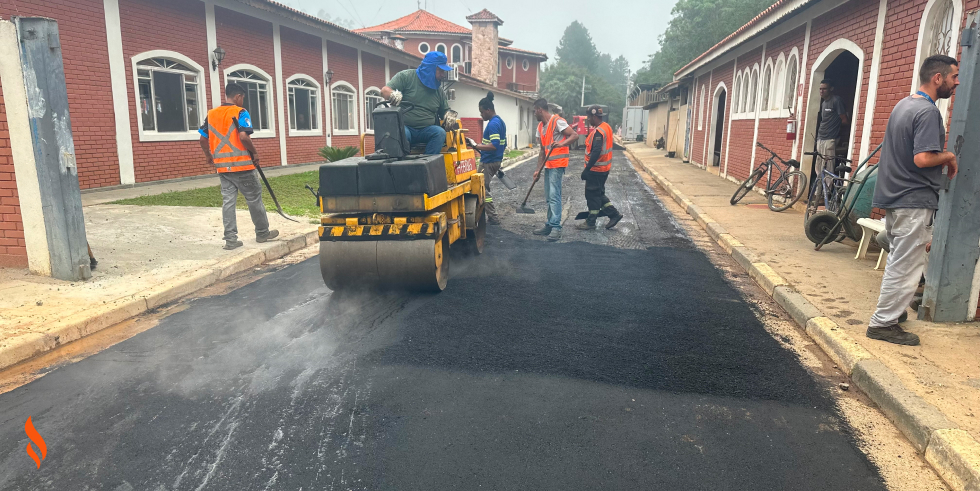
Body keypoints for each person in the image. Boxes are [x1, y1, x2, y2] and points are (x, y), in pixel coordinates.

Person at [867, 54, 959, 346]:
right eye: (954, 77)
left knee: (898, 259)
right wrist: (949, 156)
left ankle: (891, 314)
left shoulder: (903, 105)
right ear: (937, 78)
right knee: (907, 266)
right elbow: (922, 158)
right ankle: (883, 324)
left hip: (895, 196)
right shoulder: (929, 112)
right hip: (914, 199)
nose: (956, 83)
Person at [199, 83, 279, 250]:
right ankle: (262, 232)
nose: (243, 101)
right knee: (254, 199)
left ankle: (230, 239)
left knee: (228, 202)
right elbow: (243, 137)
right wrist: (255, 153)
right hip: (242, 167)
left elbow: (202, 139)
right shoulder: (240, 112)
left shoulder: (212, 115)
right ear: (238, 97)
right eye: (242, 98)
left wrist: (208, 156)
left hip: (223, 167)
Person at [381, 51, 458, 155]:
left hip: (426, 130)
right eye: (440, 71)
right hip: (405, 127)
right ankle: (402, 165)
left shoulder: (439, 90)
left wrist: (449, 115)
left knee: (439, 133)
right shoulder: (406, 77)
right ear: (430, 68)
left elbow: (444, 110)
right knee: (401, 134)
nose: (443, 75)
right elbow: (384, 90)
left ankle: (428, 163)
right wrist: (392, 94)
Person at [531, 98, 577, 242]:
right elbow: (542, 151)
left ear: (539, 109)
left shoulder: (557, 121)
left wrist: (561, 143)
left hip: (558, 164)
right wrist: (538, 169)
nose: (534, 114)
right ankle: (550, 224)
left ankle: (556, 227)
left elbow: (574, 135)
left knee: (554, 195)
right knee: (548, 196)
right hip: (548, 165)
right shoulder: (540, 127)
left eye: (534, 111)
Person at [576, 106, 623, 230]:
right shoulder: (606, 127)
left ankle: (591, 222)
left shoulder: (598, 132)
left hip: (596, 170)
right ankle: (614, 214)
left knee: (592, 195)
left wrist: (587, 169)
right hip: (604, 169)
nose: (588, 120)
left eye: (589, 118)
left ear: (594, 117)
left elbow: (596, 151)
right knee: (598, 193)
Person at [466, 92, 506, 225]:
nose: (481, 115)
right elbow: (501, 144)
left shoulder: (493, 125)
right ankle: (486, 215)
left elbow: (494, 145)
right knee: (483, 187)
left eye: (482, 112)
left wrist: (477, 146)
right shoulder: (500, 121)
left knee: (481, 188)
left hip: (488, 162)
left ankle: (493, 217)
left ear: (488, 110)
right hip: (494, 160)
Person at [815, 79, 849, 177]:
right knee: (818, 165)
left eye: (824, 89)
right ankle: (818, 190)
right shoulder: (824, 103)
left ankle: (828, 190)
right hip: (820, 137)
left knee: (829, 166)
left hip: (830, 138)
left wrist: (838, 130)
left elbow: (844, 120)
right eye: (820, 89)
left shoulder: (836, 101)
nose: (822, 91)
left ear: (831, 89)